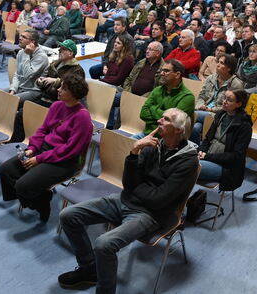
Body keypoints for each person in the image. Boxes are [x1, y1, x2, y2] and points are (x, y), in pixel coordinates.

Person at [57, 107, 198, 294]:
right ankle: (90, 270)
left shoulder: (188, 162)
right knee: (68, 215)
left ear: (179, 130)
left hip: (151, 215)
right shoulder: (151, 145)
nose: (159, 121)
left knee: (104, 244)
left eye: (166, 119)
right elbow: (128, 182)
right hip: (125, 199)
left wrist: (136, 188)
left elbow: (159, 201)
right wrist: (133, 153)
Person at [0, 73, 93, 222]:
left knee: (23, 185)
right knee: (6, 170)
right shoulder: (56, 106)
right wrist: (32, 148)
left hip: (65, 161)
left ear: (74, 94)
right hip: (44, 150)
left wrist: (39, 159)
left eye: (64, 88)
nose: (58, 90)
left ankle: (42, 202)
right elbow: (43, 130)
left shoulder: (83, 118)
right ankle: (40, 195)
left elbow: (70, 150)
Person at [197, 89, 252, 190]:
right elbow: (208, 138)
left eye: (229, 100)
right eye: (224, 98)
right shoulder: (221, 114)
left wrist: (207, 156)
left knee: (189, 166)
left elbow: (235, 156)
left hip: (226, 168)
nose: (224, 102)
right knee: (182, 151)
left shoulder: (244, 126)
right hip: (208, 156)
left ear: (239, 104)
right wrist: (202, 150)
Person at [134, 59, 195, 138]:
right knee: (125, 145)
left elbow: (174, 124)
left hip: (167, 141)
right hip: (147, 134)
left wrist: (153, 108)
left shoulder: (187, 97)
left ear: (177, 74)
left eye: (166, 71)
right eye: (162, 70)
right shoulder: (157, 90)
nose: (162, 73)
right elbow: (143, 113)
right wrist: (165, 119)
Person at [191, 54, 244, 143]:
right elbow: (202, 96)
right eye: (218, 62)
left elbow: (231, 106)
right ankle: (197, 151)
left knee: (191, 114)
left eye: (221, 63)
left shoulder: (236, 84)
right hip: (203, 111)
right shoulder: (211, 77)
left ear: (229, 68)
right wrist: (200, 105)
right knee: (195, 128)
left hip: (221, 114)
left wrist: (211, 109)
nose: (217, 65)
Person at [35, 39, 85, 107]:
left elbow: (74, 89)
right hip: (45, 97)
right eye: (60, 48)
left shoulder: (77, 70)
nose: (59, 51)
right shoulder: (55, 64)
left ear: (70, 53)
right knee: (23, 111)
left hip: (60, 102)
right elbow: (47, 80)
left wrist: (56, 81)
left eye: (63, 49)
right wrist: (41, 81)